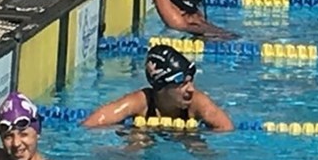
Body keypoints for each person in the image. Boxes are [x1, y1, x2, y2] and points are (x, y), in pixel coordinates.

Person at [82, 44, 233, 131]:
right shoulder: (142, 102)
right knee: (138, 138)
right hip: (147, 148)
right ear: (162, 86)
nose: (191, 89)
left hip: (185, 148)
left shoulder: (197, 103)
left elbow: (226, 128)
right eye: (182, 83)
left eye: (191, 82)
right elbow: (92, 123)